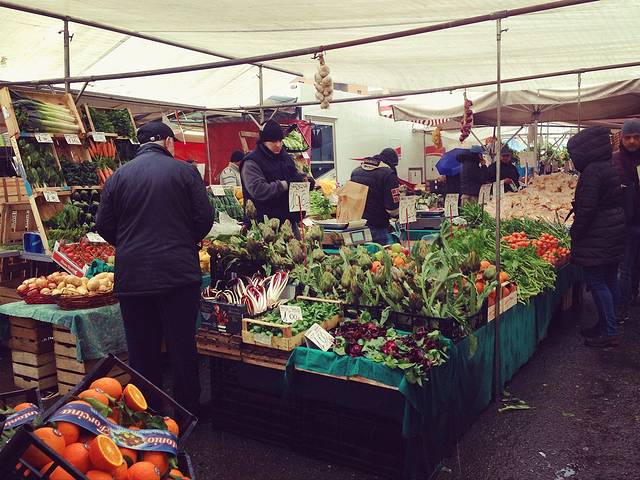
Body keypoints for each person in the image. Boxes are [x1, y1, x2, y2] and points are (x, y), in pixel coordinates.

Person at [96, 121, 213, 413]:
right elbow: (204, 218)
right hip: (178, 274)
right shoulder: (185, 171)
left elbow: (103, 225)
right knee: (181, 345)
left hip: (133, 277)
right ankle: (187, 411)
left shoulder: (118, 176)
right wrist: (184, 240)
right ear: (167, 142)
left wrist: (128, 244)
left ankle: (149, 413)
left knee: (142, 350)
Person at [567, 126, 626, 348]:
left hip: (598, 233)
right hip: (612, 229)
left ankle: (610, 331)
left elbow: (587, 209)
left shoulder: (592, 171)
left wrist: (575, 232)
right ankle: (606, 324)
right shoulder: (607, 164)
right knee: (610, 278)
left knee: (597, 281)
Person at [240, 120, 310, 225]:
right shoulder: (252, 162)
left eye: (280, 140)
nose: (278, 145)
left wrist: (305, 181)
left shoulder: (285, 158)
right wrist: (286, 184)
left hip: (288, 222)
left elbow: (294, 177)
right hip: (263, 225)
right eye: (273, 141)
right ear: (263, 141)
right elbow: (258, 190)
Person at [612, 119, 640, 321]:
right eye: (628, 137)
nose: (632, 141)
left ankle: (632, 295)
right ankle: (621, 308)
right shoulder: (614, 160)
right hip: (625, 224)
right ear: (621, 138)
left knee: (635, 265)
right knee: (624, 267)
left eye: (637, 137)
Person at [350, 155, 400, 245]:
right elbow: (392, 209)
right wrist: (399, 215)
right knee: (379, 252)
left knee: (361, 252)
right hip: (378, 227)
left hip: (357, 227)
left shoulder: (356, 172)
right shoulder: (388, 175)